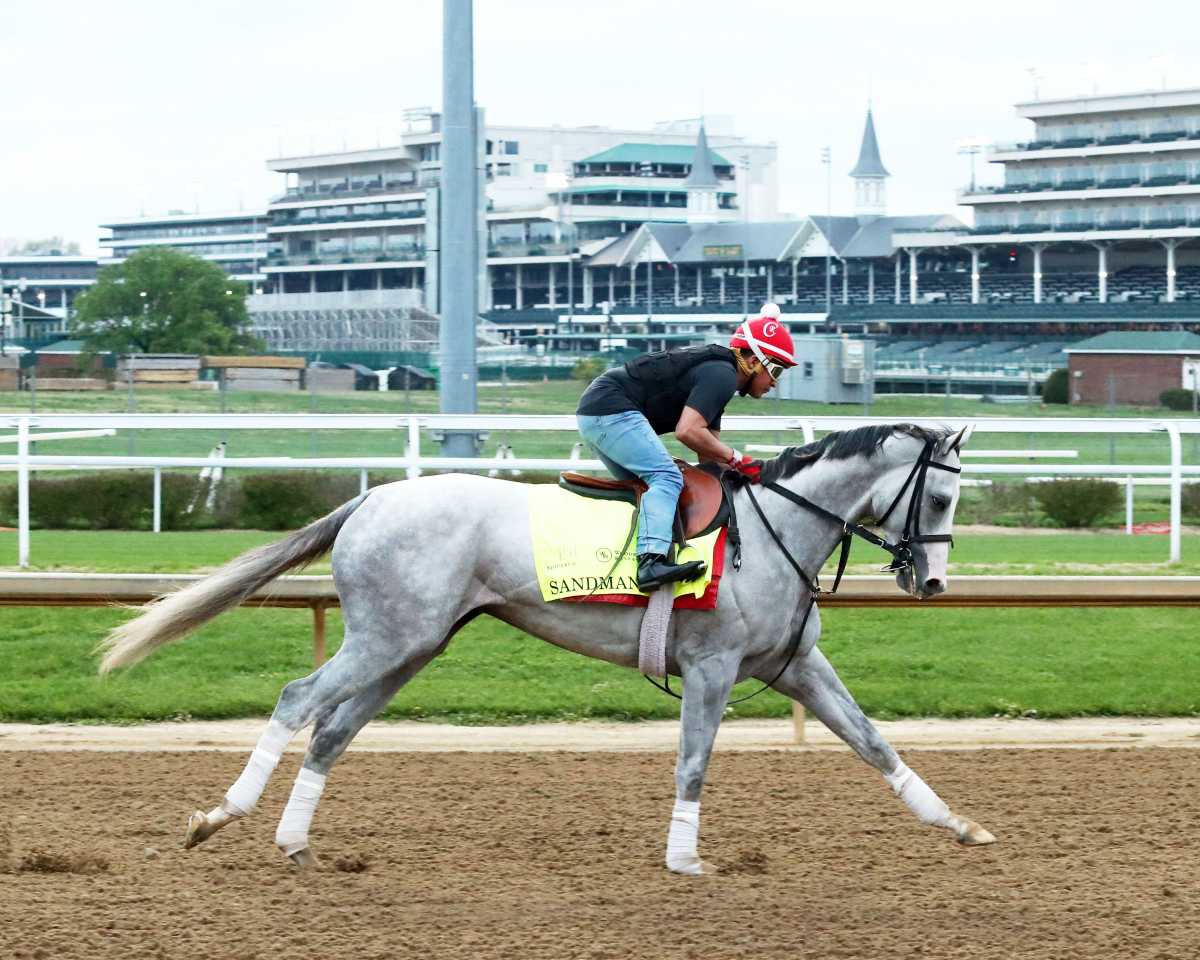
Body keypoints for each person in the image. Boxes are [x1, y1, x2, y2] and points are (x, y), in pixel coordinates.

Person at [575, 303, 797, 591]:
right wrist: (739, 458)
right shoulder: (722, 375)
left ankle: (629, 558)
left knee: (648, 487)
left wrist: (745, 477)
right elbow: (688, 430)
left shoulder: (720, 378)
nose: (775, 383)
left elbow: (709, 458)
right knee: (667, 477)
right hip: (610, 408)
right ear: (754, 361)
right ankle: (651, 563)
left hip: (598, 410)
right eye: (776, 370)